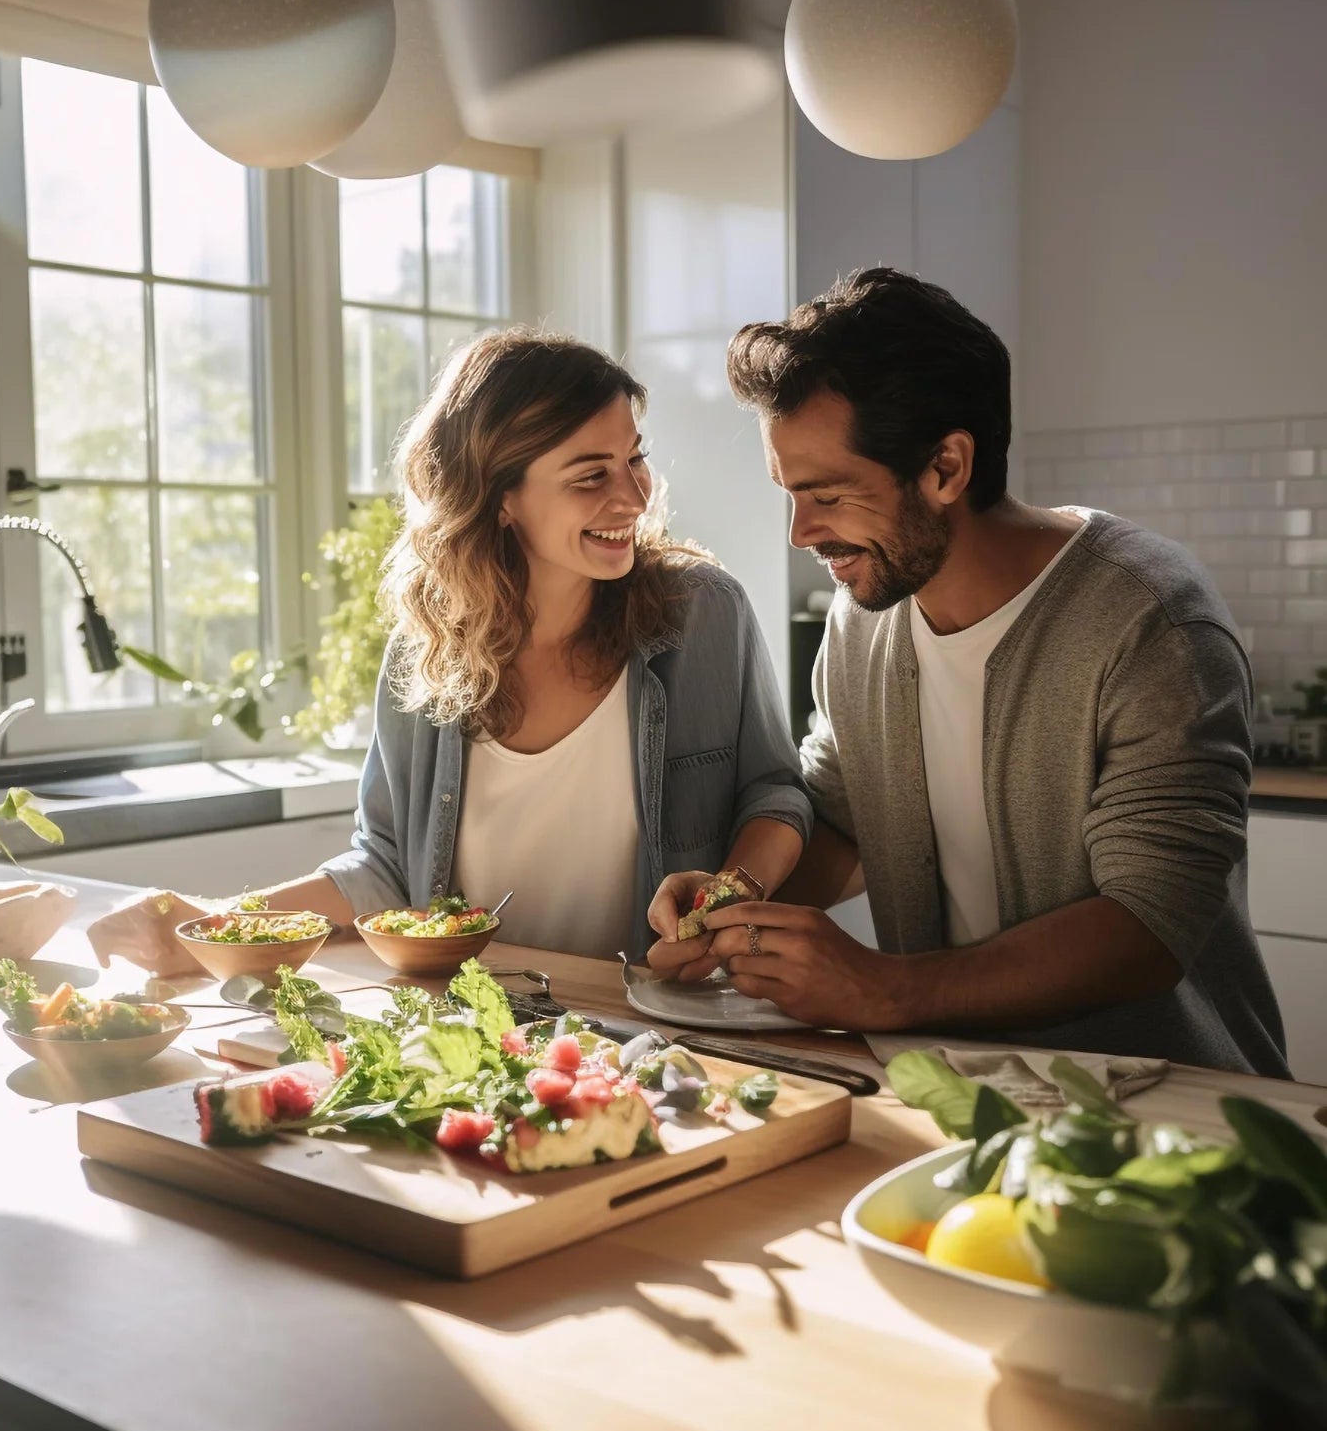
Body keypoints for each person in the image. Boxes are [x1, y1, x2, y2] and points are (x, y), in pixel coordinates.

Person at [647, 268, 1288, 1077]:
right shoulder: (862, 618)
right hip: (961, 1100)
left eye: (830, 496)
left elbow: (1147, 926)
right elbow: (844, 813)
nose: (800, 531)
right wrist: (733, 905)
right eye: (789, 494)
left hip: (1169, 1119)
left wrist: (884, 988)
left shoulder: (1150, 622)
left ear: (947, 467)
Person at [89, 330, 811, 975]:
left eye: (634, 459)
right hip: (475, 1029)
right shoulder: (426, 652)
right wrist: (216, 921)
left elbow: (774, 795)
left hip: (653, 1020)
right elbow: (385, 868)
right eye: (591, 475)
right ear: (500, 497)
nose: (632, 495)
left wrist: (731, 891)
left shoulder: (702, 614)